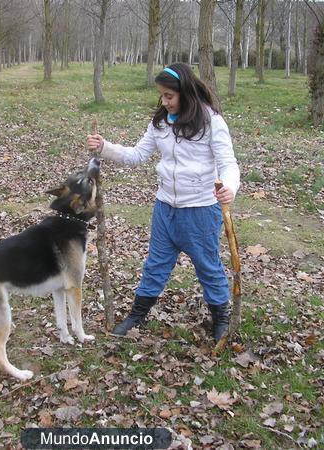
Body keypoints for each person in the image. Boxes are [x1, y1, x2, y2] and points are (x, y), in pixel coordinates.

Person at [86, 62, 240, 342]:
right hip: (165, 209)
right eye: (162, 96)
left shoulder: (211, 121)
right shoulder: (159, 124)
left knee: (208, 266)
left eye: (169, 96)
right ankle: (137, 316)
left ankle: (221, 319)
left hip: (201, 211)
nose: (164, 101)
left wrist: (229, 187)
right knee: (155, 265)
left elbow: (228, 163)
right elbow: (136, 155)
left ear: (186, 92)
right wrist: (105, 147)